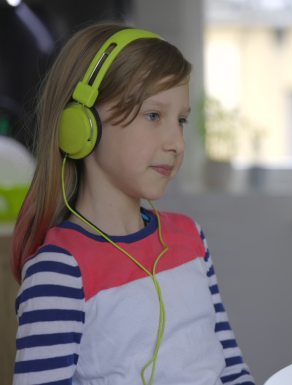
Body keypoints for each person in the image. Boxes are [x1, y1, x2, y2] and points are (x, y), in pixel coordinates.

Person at [10, 23, 255, 385]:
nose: (176, 142)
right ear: (82, 125)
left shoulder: (190, 238)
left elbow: (230, 366)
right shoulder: (59, 269)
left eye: (181, 120)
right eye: (153, 116)